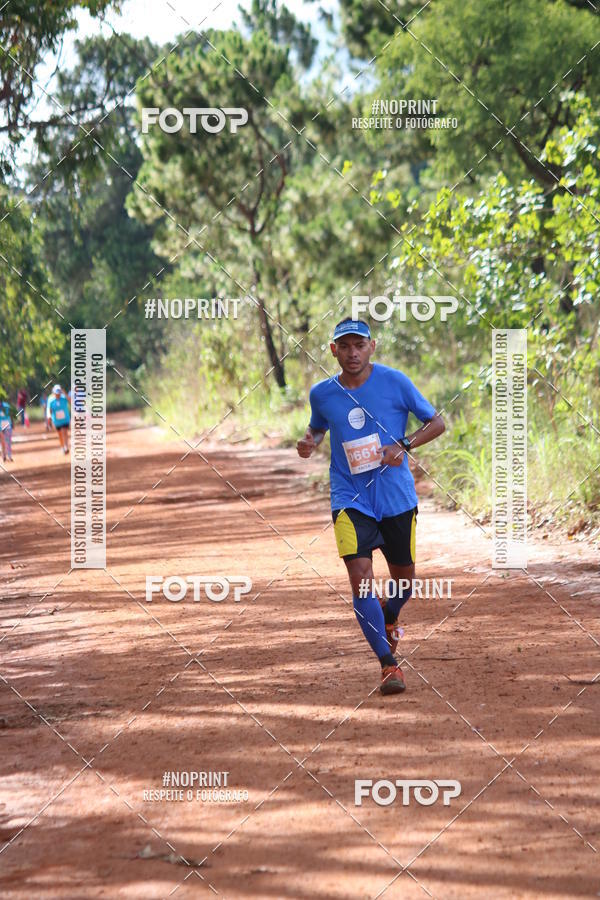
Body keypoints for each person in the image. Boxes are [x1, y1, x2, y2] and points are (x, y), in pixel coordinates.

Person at [297, 318, 445, 695]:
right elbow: (318, 426)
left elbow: (437, 422)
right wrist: (309, 441)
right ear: (333, 350)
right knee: (361, 580)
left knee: (405, 583)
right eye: (344, 346)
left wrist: (404, 445)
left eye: (359, 345)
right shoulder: (322, 393)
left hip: (395, 497)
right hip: (349, 499)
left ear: (372, 347)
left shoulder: (396, 382)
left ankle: (390, 614)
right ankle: (388, 665)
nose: (352, 353)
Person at [46, 384, 71, 454]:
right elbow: (49, 409)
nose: (58, 395)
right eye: (56, 393)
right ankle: (63, 446)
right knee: (60, 434)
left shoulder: (64, 398)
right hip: (57, 421)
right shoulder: (51, 400)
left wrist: (65, 393)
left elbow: (71, 401)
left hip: (65, 419)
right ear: (54, 393)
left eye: (59, 393)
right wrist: (49, 417)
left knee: (65, 432)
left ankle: (66, 447)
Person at [0, 396, 13, 462]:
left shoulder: (7, 406)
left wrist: (12, 424)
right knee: (3, 442)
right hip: (2, 427)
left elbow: (10, 416)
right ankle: (4, 456)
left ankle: (9, 455)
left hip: (7, 426)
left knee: (8, 442)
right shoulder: (7, 406)